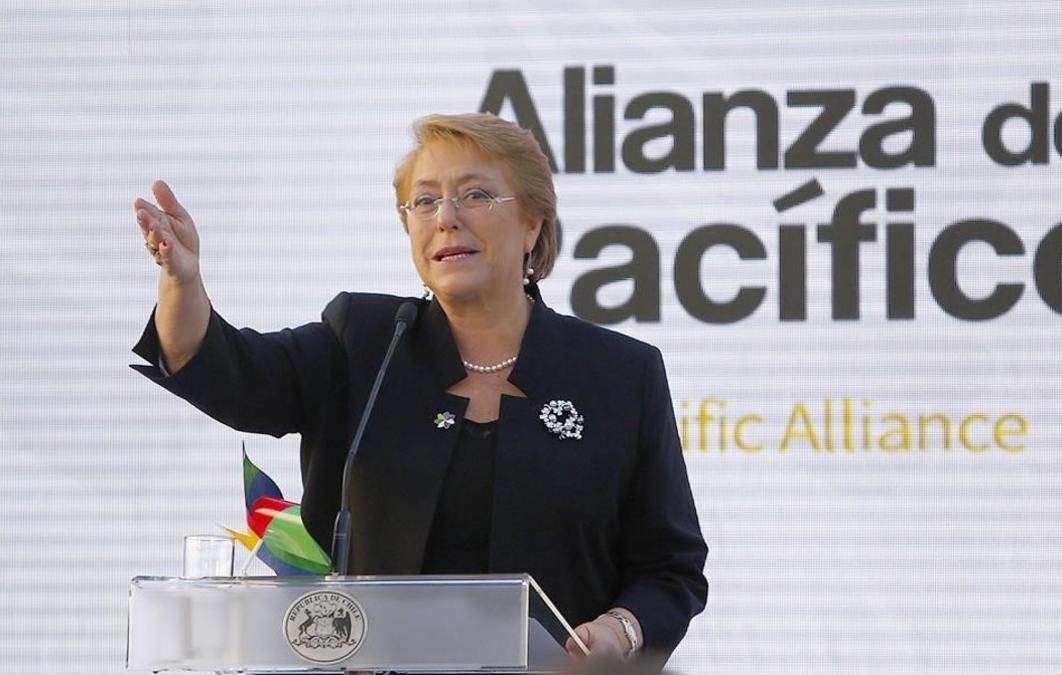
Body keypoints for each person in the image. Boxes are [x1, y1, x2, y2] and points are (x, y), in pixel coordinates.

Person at [130, 112, 707, 668]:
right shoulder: (363, 342)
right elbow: (229, 371)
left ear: (532, 222)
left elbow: (669, 567)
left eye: (476, 195)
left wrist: (620, 631)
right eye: (424, 200)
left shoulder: (619, 374)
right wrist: (183, 282)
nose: (446, 217)